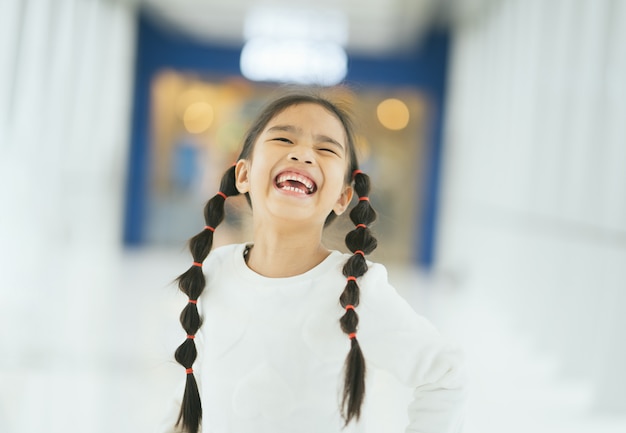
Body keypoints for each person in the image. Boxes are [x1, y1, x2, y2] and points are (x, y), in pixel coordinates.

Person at [159, 91, 465, 433]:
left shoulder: (357, 290)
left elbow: (445, 375)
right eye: (283, 138)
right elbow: (195, 390)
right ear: (243, 174)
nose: (302, 153)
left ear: (342, 196)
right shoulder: (215, 271)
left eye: (326, 148)